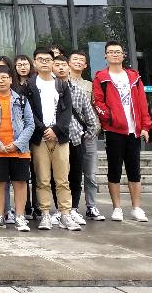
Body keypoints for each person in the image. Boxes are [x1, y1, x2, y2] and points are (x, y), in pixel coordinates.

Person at [93, 40, 152, 222]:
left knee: (134, 171)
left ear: (123, 55)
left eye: (118, 52)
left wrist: (145, 126)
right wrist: (110, 118)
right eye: (111, 52)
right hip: (114, 130)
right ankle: (117, 208)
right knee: (114, 170)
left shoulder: (134, 77)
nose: (115, 54)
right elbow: (98, 102)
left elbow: (142, 103)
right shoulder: (101, 77)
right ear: (105, 56)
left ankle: (136, 207)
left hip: (134, 131)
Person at [27, 47, 80, 231]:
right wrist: (43, 129)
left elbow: (67, 111)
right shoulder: (30, 86)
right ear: (35, 62)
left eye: (48, 60)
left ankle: (65, 214)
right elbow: (29, 112)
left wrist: (56, 130)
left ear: (53, 62)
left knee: (62, 179)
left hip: (60, 138)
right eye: (40, 59)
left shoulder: (62, 85)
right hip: (39, 138)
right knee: (42, 178)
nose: (44, 63)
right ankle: (45, 214)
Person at [0, 64, 35, 232]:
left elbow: (30, 124)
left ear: (11, 79)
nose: (1, 81)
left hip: (19, 150)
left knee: (20, 183)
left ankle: (19, 217)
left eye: (4, 78)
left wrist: (17, 144)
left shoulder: (21, 100)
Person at [53, 53, 100, 227]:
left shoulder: (79, 91)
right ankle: (60, 210)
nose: (61, 68)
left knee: (75, 176)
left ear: (69, 68)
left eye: (63, 65)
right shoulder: (48, 91)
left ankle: (73, 209)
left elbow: (91, 120)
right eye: (57, 65)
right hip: (54, 140)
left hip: (75, 140)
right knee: (57, 177)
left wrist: (83, 135)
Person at [68, 50, 105, 221]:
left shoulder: (90, 85)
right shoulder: (62, 83)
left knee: (90, 173)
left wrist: (93, 130)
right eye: (74, 59)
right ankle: (70, 207)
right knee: (70, 173)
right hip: (70, 135)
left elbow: (95, 109)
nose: (77, 62)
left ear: (85, 65)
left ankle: (91, 206)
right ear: (68, 63)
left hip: (88, 135)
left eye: (81, 60)